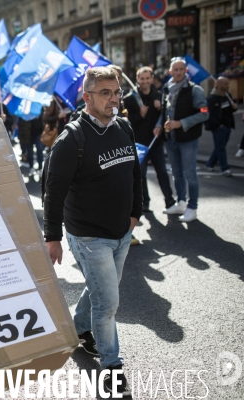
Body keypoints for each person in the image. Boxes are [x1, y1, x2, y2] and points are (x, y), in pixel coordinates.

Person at [44, 67, 142, 397]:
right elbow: (53, 191)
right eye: (106, 93)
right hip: (88, 236)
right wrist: (52, 237)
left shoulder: (124, 127)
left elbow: (135, 172)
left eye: (117, 92)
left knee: (104, 287)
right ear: (87, 97)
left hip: (122, 231)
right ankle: (112, 367)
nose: (114, 99)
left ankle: (80, 329)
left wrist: (135, 212)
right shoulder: (72, 139)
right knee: (108, 301)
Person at [155, 58, 209, 222]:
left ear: (186, 71)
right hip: (171, 139)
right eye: (175, 70)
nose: (178, 72)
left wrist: (181, 123)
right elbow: (164, 112)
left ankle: (192, 207)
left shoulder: (195, 90)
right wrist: (159, 124)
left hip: (188, 138)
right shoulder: (166, 89)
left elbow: (204, 113)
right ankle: (181, 202)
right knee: (176, 174)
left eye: (181, 69)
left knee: (190, 174)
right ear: (170, 72)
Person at [124, 66, 175, 212]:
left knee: (162, 172)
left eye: (148, 78)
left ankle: (169, 200)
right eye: (142, 78)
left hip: (156, 141)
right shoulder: (130, 98)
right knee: (141, 173)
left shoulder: (160, 96)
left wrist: (161, 113)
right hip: (139, 142)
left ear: (152, 79)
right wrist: (140, 114)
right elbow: (127, 121)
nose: (145, 81)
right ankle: (144, 202)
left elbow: (167, 116)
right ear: (137, 80)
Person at [205, 76, 238, 177]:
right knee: (221, 148)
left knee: (220, 147)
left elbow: (229, 111)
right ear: (218, 85)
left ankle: (210, 164)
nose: (227, 86)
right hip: (218, 127)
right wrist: (216, 125)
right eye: (225, 84)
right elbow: (207, 114)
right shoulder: (212, 99)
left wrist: (234, 108)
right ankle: (225, 168)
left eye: (228, 83)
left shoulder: (228, 96)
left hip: (228, 126)